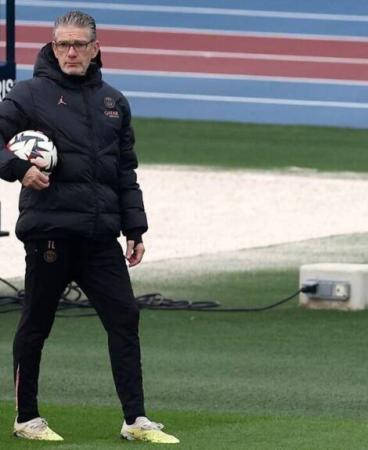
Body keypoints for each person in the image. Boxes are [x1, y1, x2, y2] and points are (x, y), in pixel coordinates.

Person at [0, 11, 178, 444]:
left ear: (96, 48)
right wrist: (19, 169)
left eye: (80, 44)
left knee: (124, 318)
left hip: (101, 237)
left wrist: (135, 228)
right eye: (64, 44)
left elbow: (125, 173)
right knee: (37, 324)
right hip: (51, 234)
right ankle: (27, 418)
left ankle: (135, 420)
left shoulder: (114, 101)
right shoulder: (28, 96)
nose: (72, 52)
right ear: (52, 47)